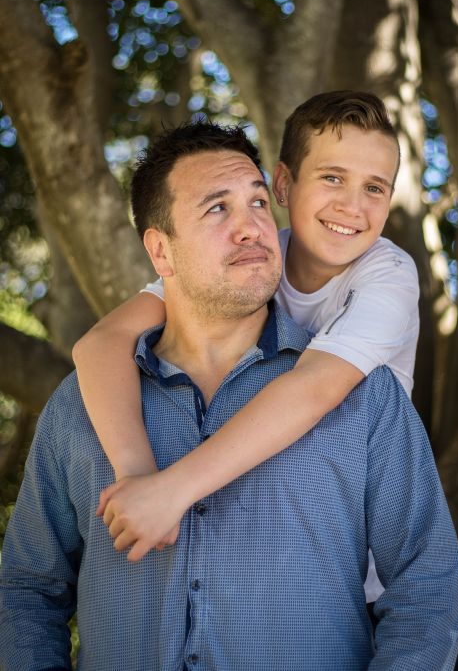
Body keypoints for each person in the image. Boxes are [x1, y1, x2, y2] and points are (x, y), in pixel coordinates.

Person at [0, 121, 458, 670]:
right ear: (160, 251)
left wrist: (167, 489)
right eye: (217, 209)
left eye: (259, 204)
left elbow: (427, 589)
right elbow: (27, 589)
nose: (251, 228)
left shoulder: (366, 395)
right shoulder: (82, 405)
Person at [74, 92, 420, 581]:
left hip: (361, 570)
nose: (352, 206)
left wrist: (172, 490)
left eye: (375, 188)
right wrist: (136, 476)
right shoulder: (251, 258)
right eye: (332, 178)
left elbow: (315, 387)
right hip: (265, 552)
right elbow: (101, 343)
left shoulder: (390, 275)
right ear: (282, 183)